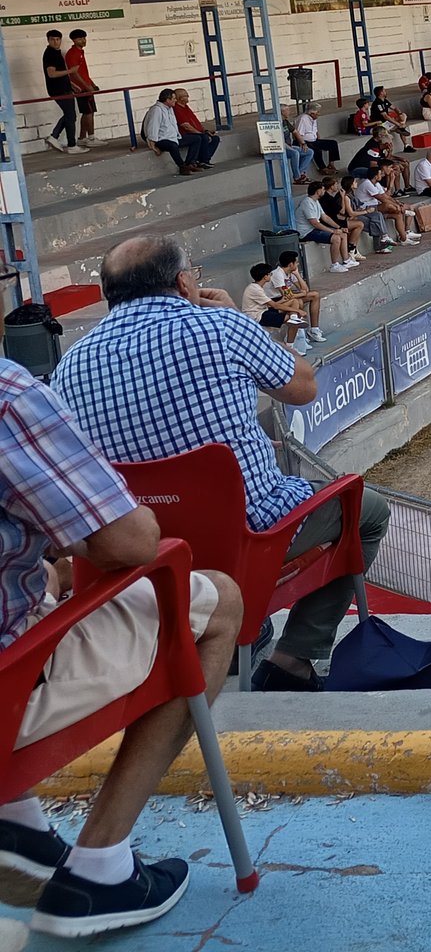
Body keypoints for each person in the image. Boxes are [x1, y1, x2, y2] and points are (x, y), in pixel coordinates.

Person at [51, 235, 390, 692]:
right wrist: (233, 315)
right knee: (367, 509)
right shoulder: (223, 328)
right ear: (183, 282)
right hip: (247, 536)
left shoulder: (69, 365)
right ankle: (294, 659)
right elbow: (305, 388)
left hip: (138, 550)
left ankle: (227, 640)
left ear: (109, 294)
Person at [0, 356, 242, 937]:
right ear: (183, 280)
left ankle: (16, 822)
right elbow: (129, 543)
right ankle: (100, 868)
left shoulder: (79, 360)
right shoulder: (9, 392)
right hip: (10, 691)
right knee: (222, 603)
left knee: (31, 593)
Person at [295, 178, 360, 272]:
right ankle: (334, 265)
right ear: (318, 191)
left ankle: (346, 260)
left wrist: (339, 227)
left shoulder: (316, 201)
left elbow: (325, 217)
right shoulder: (307, 203)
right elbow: (314, 223)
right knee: (336, 238)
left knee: (343, 234)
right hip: (306, 232)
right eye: (322, 189)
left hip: (313, 229)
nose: (324, 191)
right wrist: (333, 231)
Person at [239, 263, 302, 351]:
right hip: (258, 316)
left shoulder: (256, 287)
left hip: (264, 310)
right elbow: (275, 306)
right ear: (265, 277)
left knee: (294, 301)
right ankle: (290, 347)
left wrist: (284, 300)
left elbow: (269, 304)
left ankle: (293, 317)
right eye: (270, 274)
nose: (271, 276)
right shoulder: (255, 289)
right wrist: (298, 311)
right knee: (294, 320)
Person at [41, 29, 82, 154]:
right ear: (48, 40)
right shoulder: (51, 54)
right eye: (52, 39)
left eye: (58, 39)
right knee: (71, 116)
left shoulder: (56, 53)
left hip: (64, 88)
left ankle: (54, 137)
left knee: (70, 115)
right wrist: (71, 71)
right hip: (59, 90)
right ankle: (71, 145)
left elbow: (58, 73)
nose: (55, 42)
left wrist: (71, 83)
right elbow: (52, 74)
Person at [141, 90, 196, 174]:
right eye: (173, 98)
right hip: (161, 139)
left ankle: (190, 164)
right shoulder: (157, 110)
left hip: (173, 137)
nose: (175, 100)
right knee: (172, 146)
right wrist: (153, 144)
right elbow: (153, 127)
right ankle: (182, 167)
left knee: (197, 139)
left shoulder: (169, 108)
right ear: (167, 100)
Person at [63, 31, 101, 147]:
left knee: (88, 112)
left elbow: (83, 72)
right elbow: (74, 74)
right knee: (88, 112)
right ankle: (91, 137)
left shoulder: (80, 52)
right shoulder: (72, 53)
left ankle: (82, 137)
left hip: (86, 86)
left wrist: (92, 84)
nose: (83, 40)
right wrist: (86, 86)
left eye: (84, 38)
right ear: (74, 40)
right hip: (81, 88)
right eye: (80, 39)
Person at [169, 91, 219, 168]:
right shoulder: (177, 109)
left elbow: (195, 122)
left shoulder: (186, 107)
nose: (188, 96)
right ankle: (203, 161)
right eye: (186, 95)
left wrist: (205, 131)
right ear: (180, 98)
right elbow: (186, 126)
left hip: (196, 131)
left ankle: (203, 160)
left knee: (215, 138)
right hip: (185, 134)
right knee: (203, 137)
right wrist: (201, 133)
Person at [294, 105, 338, 177]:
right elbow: (299, 134)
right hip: (304, 141)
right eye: (317, 112)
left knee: (333, 143)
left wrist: (318, 138)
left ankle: (331, 164)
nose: (319, 114)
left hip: (313, 140)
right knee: (316, 150)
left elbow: (315, 130)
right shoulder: (303, 119)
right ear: (312, 113)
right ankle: (323, 168)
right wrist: (303, 143)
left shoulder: (313, 119)